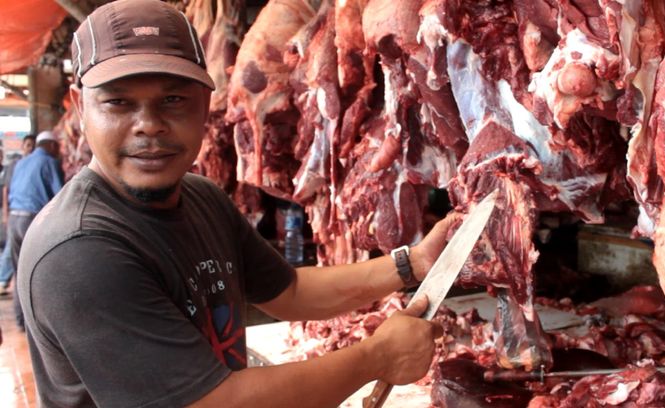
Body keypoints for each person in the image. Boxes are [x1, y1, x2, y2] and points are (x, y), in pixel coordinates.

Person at [18, 0, 453, 406]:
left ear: (206, 102)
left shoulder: (201, 197)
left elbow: (292, 292)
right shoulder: (78, 253)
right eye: (118, 103)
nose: (148, 126)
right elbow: (214, 402)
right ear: (80, 104)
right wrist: (377, 356)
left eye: (173, 100)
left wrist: (413, 263)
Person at [8, 131, 63, 330]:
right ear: (50, 145)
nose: (58, 151)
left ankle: (21, 321)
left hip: (15, 219)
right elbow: (61, 197)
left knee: (19, 271)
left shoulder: (21, 163)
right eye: (57, 147)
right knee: (42, 271)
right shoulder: (49, 162)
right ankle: (43, 326)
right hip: (33, 220)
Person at [0, 135, 36, 295]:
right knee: (11, 250)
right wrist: (6, 214)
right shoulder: (16, 165)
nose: (30, 148)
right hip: (16, 212)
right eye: (28, 145)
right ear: (23, 146)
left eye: (33, 145)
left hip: (24, 214)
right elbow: (7, 190)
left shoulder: (33, 164)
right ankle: (3, 280)